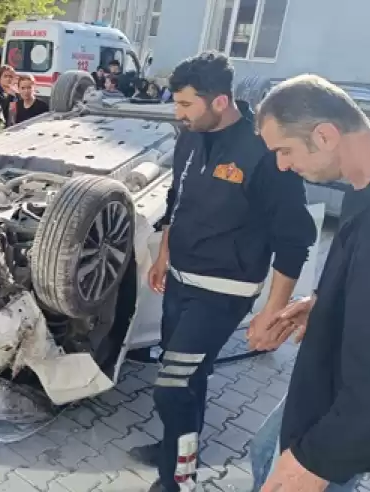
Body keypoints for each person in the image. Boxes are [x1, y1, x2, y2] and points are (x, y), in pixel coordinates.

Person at [126, 52, 317, 492]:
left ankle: (178, 478)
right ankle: (176, 445)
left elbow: (295, 239)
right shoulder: (189, 136)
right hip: (179, 280)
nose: (178, 113)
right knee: (190, 377)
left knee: (171, 386)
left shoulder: (266, 151)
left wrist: (272, 311)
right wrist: (163, 256)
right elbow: (178, 198)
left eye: (186, 105)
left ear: (220, 101)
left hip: (224, 292)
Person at [247, 74, 370, 492]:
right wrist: (323, 302)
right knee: (264, 450)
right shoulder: (363, 185)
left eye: (284, 150)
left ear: (324, 135)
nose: (281, 165)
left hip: (352, 417)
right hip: (327, 382)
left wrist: (315, 462)